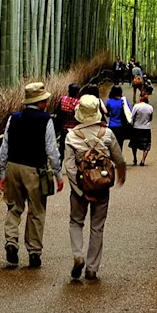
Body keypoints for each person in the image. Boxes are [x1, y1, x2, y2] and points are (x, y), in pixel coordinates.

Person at [0, 81, 64, 268]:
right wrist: (58, 175)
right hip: (35, 169)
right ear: (41, 102)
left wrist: (3, 172)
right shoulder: (46, 120)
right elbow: (51, 150)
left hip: (13, 166)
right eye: (44, 100)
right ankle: (34, 252)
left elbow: (4, 147)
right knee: (36, 211)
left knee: (13, 208)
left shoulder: (14, 118)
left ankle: (11, 242)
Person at [64, 94, 128, 280]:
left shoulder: (71, 136)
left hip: (80, 186)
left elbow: (68, 167)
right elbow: (119, 159)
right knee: (97, 227)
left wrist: (80, 191)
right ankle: (92, 268)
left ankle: (78, 256)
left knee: (76, 222)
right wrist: (121, 177)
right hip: (101, 186)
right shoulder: (106, 134)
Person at [55, 83, 82, 159]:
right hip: (75, 130)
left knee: (62, 147)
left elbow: (58, 112)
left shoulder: (62, 99)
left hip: (64, 129)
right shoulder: (78, 103)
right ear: (77, 92)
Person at [129, 91, 154, 166]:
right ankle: (143, 160)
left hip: (136, 127)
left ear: (140, 98)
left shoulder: (136, 106)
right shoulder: (150, 107)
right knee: (146, 145)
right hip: (146, 128)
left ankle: (135, 158)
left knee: (134, 144)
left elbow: (132, 117)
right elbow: (150, 118)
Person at [105, 85, 132, 150]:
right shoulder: (123, 101)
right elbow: (129, 111)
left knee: (112, 144)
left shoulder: (109, 101)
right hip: (121, 126)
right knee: (120, 144)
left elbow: (107, 114)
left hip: (112, 125)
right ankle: (119, 158)